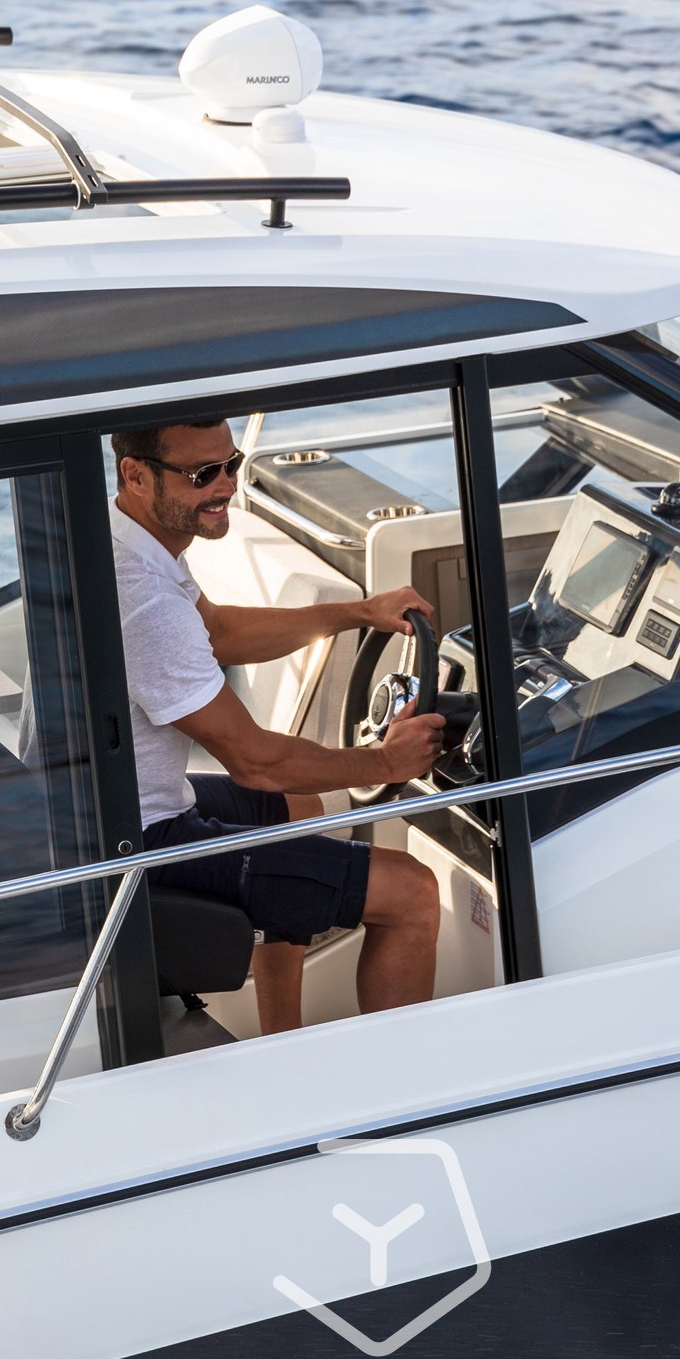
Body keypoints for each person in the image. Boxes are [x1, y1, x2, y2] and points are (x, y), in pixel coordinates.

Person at [110, 418, 445, 1034]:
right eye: (201, 474)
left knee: (298, 804)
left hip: (105, 807)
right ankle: (402, 1083)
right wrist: (384, 762)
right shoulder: (144, 598)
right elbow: (254, 761)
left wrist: (359, 613)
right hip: (134, 842)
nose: (225, 486)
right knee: (412, 892)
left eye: (231, 465)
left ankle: (282, 1037)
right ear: (135, 475)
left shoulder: (127, 540)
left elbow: (217, 632)